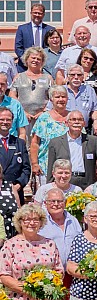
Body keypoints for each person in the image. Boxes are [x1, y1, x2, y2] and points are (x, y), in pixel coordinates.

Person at [46, 109, 97, 188]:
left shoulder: (93, 141)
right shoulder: (55, 142)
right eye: (73, 119)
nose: (77, 122)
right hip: (65, 182)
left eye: (80, 120)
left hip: (87, 183)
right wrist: (49, 187)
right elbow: (51, 167)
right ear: (66, 123)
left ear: (84, 123)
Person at [29, 85, 70, 186]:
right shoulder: (44, 118)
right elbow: (35, 142)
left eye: (63, 96)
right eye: (57, 97)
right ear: (51, 99)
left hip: (68, 168)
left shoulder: (73, 117)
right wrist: (34, 164)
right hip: (46, 166)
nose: (61, 99)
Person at [0, 107, 30, 238]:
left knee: (15, 231)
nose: (5, 122)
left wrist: (18, 185)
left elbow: (26, 169)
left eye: (8, 119)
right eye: (2, 119)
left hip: (15, 192)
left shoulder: (19, 143)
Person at [11, 47, 53, 126]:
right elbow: (12, 95)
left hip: (43, 118)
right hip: (22, 118)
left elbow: (53, 97)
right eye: (33, 58)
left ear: (42, 62)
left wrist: (44, 112)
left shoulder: (48, 78)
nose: (35, 60)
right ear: (27, 59)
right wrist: (22, 112)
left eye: (38, 59)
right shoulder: (18, 76)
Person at [15, 4, 54, 72]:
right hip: (24, 67)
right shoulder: (22, 29)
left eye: (39, 13)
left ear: (43, 15)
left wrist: (44, 62)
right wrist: (27, 61)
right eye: (35, 13)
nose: (37, 15)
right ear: (31, 13)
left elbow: (52, 48)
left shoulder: (49, 29)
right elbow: (18, 48)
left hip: (44, 67)